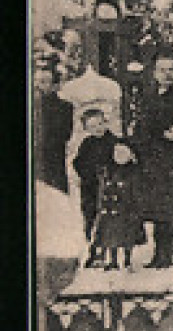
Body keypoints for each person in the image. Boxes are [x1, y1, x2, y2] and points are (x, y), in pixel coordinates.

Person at [132, 55, 173, 268]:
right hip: (152, 160)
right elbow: (142, 127)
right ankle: (160, 254)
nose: (166, 74)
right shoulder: (148, 96)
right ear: (154, 73)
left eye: (171, 69)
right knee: (158, 209)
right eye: (162, 70)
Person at [88, 140, 144, 270]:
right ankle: (113, 261)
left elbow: (136, 191)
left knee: (127, 237)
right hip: (110, 210)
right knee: (110, 237)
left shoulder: (133, 171)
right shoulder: (108, 170)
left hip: (127, 211)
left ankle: (127, 260)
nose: (119, 156)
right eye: (116, 153)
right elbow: (103, 188)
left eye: (123, 153)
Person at [71, 107, 117, 241]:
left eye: (100, 123)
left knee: (109, 216)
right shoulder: (86, 143)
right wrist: (86, 174)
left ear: (106, 122)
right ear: (86, 129)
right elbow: (78, 163)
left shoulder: (113, 141)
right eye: (92, 126)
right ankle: (91, 243)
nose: (98, 128)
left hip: (109, 186)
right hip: (90, 186)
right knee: (90, 212)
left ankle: (109, 245)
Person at [33, 61, 74, 195]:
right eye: (37, 81)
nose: (38, 86)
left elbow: (64, 135)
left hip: (52, 163)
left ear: (55, 86)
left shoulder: (64, 107)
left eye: (44, 82)